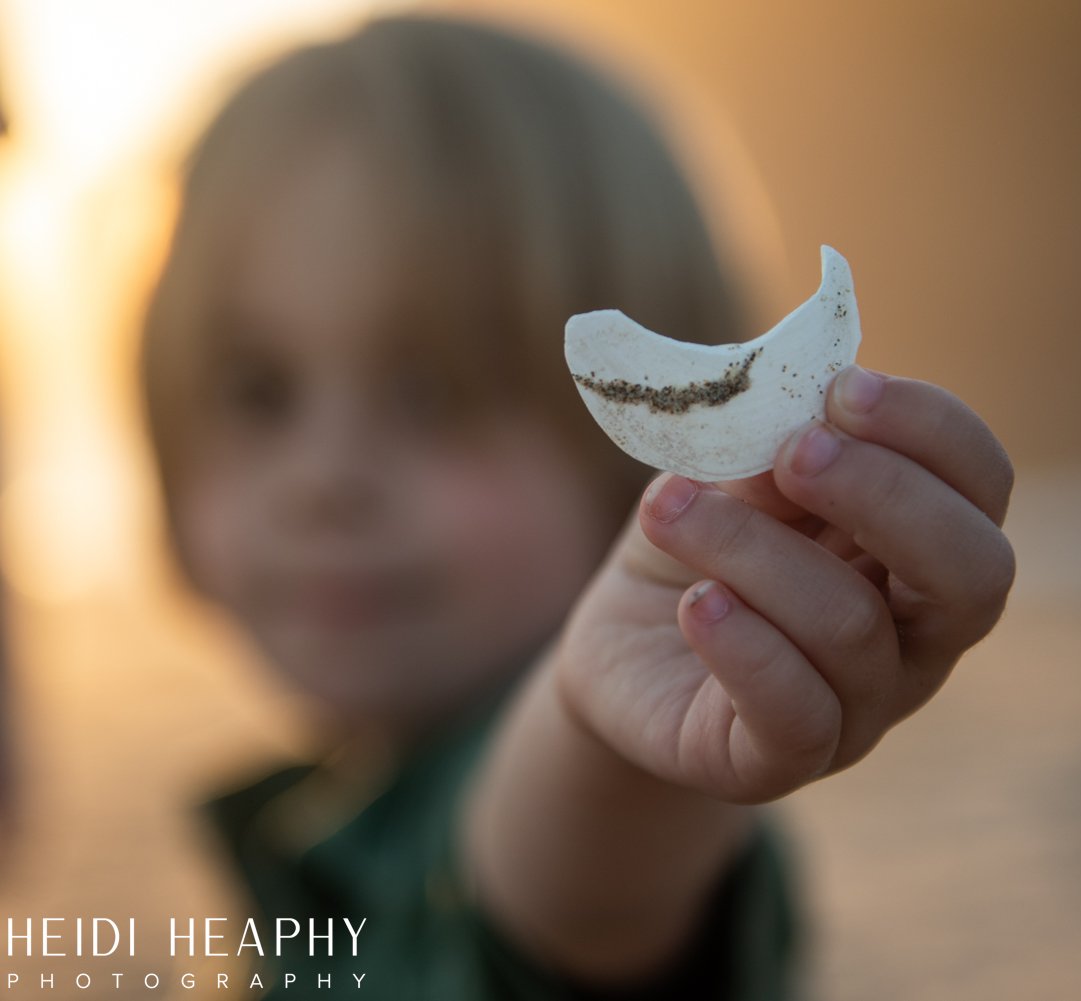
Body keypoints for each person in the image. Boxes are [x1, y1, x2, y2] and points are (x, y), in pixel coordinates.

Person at [139, 13, 1014, 999]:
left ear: (650, 456)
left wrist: (613, 732)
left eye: (432, 390)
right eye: (259, 389)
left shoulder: (586, 795)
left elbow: (580, 873)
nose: (325, 474)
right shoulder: (322, 816)